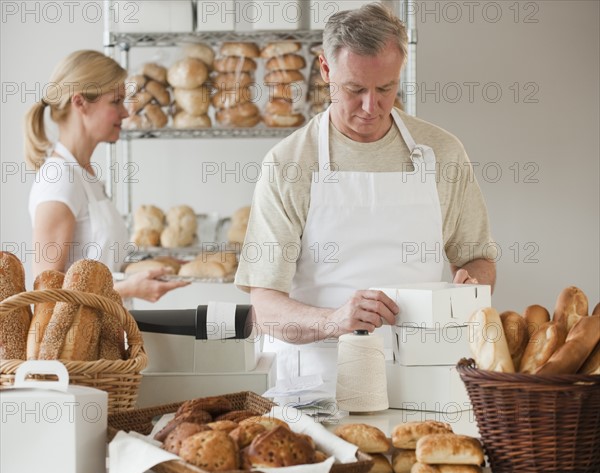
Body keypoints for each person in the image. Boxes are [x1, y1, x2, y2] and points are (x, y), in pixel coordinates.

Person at [234, 3, 497, 384]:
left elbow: (477, 260)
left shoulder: (441, 152)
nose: (371, 107)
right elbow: (264, 307)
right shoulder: (289, 163)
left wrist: (470, 288)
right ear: (325, 69)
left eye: (386, 88)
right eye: (355, 89)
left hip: (424, 378)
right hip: (318, 383)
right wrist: (333, 321)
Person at [25, 50, 188, 302]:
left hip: (108, 332)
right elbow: (47, 296)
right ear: (80, 103)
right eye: (116, 102)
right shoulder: (58, 180)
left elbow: (101, 267)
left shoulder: (85, 175)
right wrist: (129, 289)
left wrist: (152, 266)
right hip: (82, 340)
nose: (126, 113)